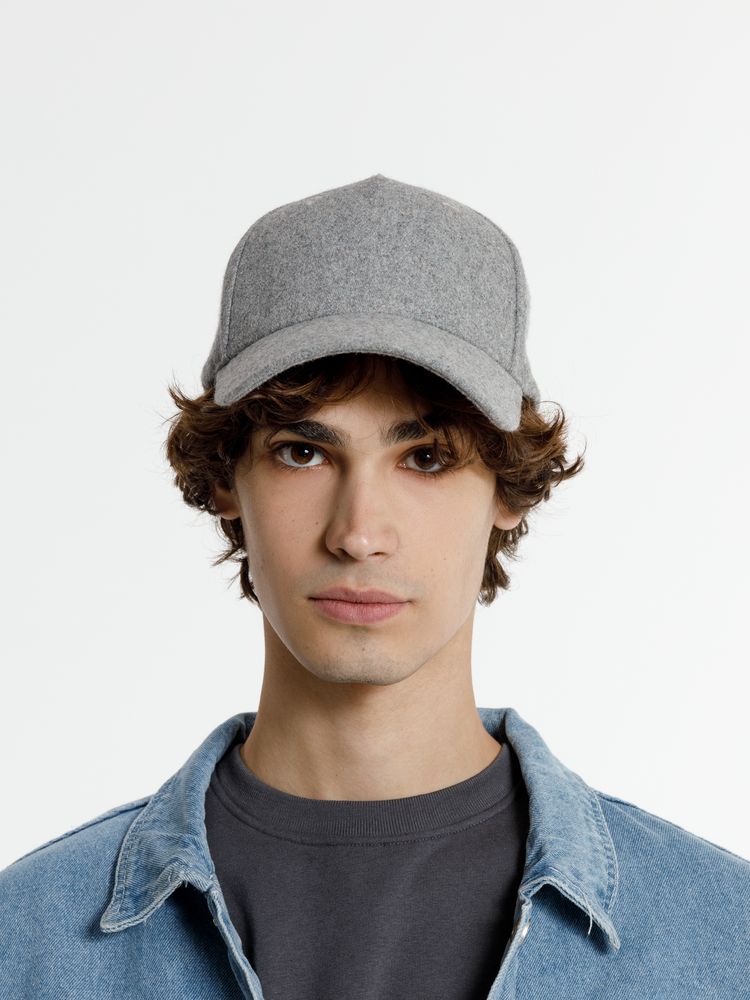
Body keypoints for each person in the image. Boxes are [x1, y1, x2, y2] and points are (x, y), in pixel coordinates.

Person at [1, 174, 748, 999]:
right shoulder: (27, 939)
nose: (358, 533)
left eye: (426, 458)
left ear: (508, 487)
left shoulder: (722, 939)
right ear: (224, 478)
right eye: (303, 452)